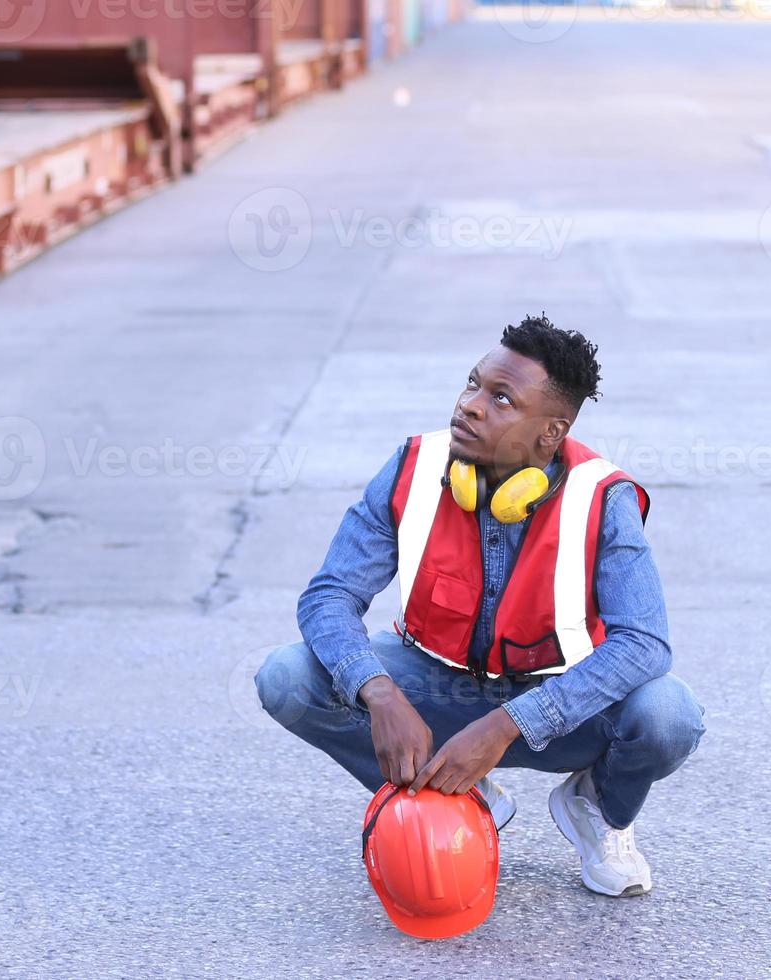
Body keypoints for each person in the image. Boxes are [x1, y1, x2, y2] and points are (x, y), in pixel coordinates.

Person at [255, 314, 705, 898]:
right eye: (472, 384)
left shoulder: (602, 497)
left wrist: (508, 724)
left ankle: (597, 807)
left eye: (500, 399)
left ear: (551, 432)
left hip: (559, 703)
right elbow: (329, 596)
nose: (469, 405)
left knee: (669, 715)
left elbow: (644, 644)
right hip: (435, 690)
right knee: (286, 677)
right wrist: (379, 691)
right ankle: (454, 793)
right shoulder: (414, 467)